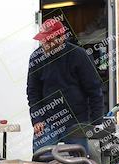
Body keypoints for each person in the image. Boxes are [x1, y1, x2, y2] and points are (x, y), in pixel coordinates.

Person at [27, 19, 104, 153]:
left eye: (49, 41)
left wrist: (96, 123)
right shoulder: (36, 58)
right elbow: (33, 92)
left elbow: (94, 90)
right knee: (41, 163)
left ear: (61, 38)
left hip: (76, 121)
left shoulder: (78, 55)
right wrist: (37, 119)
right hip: (47, 121)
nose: (45, 44)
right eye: (43, 41)